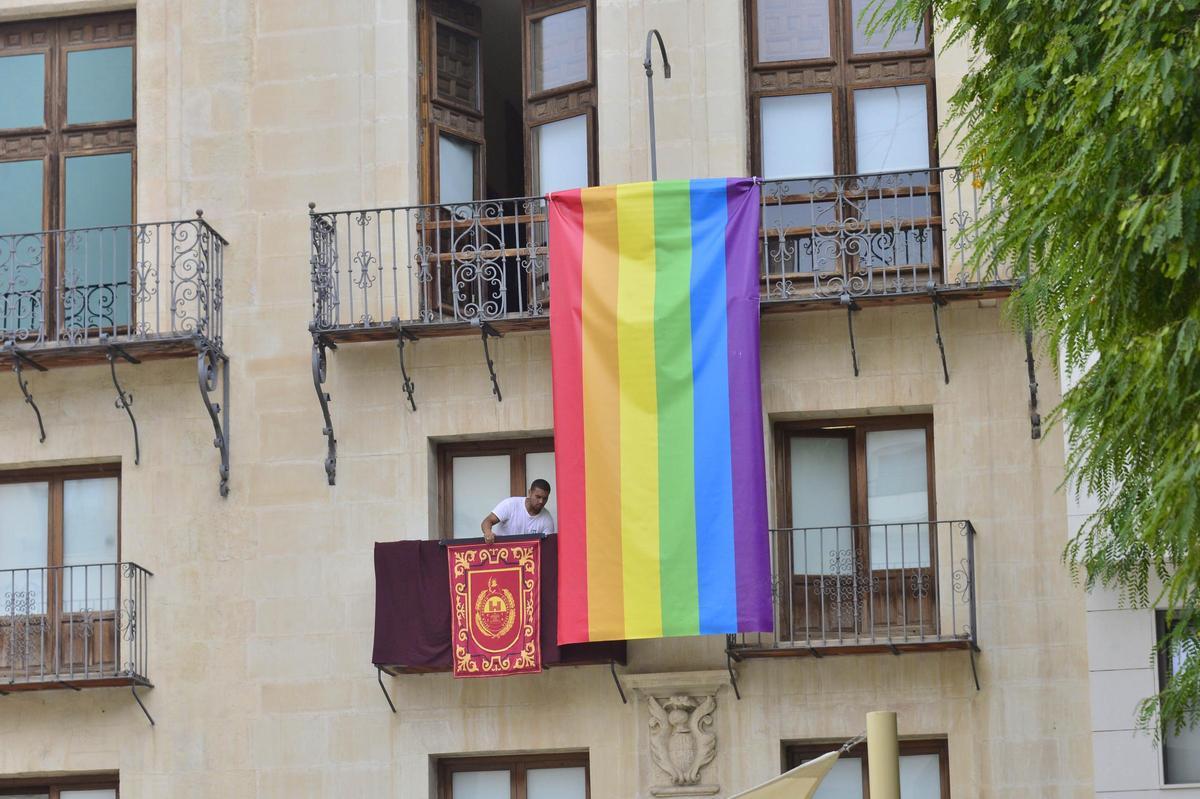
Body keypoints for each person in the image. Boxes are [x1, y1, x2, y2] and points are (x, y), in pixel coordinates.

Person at [481, 479, 555, 543]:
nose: (541, 501)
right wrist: (488, 533)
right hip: (502, 554)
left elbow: (547, 545)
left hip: (527, 558)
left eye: (545, 498)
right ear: (529, 493)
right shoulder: (510, 504)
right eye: (538, 497)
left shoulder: (547, 519)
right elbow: (487, 521)